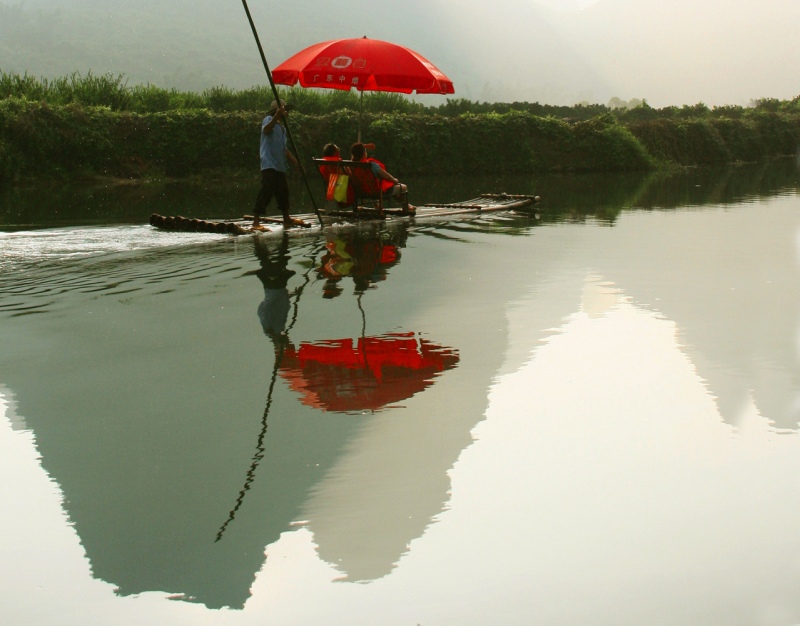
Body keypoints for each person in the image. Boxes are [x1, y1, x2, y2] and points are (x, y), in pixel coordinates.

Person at [253, 99, 299, 229]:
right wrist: (276, 117)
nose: (288, 113)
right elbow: (266, 130)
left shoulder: (282, 128)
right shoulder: (268, 120)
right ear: (278, 111)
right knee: (266, 191)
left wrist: (294, 160)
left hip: (280, 165)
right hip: (269, 163)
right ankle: (256, 221)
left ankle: (286, 218)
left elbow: (283, 148)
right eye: (285, 111)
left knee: (283, 191)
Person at [350, 142, 415, 214]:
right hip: (377, 192)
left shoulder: (352, 166)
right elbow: (385, 175)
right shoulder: (371, 165)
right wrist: (394, 180)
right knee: (403, 187)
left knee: (390, 187)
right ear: (363, 154)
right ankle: (406, 208)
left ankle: (377, 206)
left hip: (362, 191)